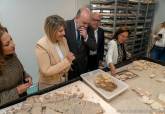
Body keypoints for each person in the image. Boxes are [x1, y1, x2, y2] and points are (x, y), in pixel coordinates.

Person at [35, 15, 75, 90]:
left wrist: (68, 62)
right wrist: (67, 61)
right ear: (51, 31)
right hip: (49, 85)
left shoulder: (63, 40)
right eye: (60, 31)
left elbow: (68, 59)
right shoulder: (41, 45)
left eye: (64, 30)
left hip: (64, 80)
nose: (64, 33)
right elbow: (46, 71)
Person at [0, 24, 32, 106]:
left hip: (23, 100)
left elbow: (21, 71)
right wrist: (16, 91)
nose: (13, 44)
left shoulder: (12, 54)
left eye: (11, 39)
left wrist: (26, 77)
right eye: (7, 44)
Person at [65, 7, 96, 80]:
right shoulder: (66, 25)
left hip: (83, 67)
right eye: (84, 23)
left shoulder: (89, 28)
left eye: (88, 23)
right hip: (70, 67)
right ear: (77, 17)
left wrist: (86, 37)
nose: (86, 26)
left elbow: (94, 47)